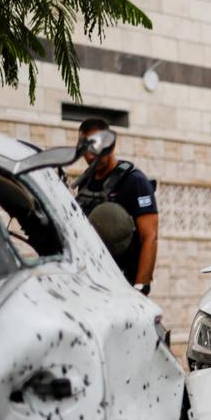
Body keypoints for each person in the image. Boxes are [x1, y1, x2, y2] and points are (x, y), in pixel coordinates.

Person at [74, 118, 159, 293]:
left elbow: (149, 237)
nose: (89, 156)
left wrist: (141, 287)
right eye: (85, 149)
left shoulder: (135, 182)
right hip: (93, 283)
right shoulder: (85, 183)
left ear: (110, 146)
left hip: (124, 284)